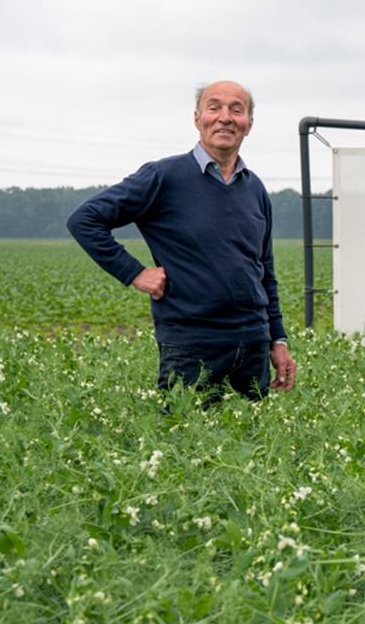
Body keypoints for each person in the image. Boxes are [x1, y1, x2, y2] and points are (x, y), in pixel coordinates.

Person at [67, 80, 296, 404]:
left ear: (249, 124)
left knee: (251, 435)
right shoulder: (163, 177)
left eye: (236, 110)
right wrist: (135, 272)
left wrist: (278, 340)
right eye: (214, 108)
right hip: (191, 347)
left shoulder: (254, 188)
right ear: (197, 119)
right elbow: (85, 219)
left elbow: (265, 272)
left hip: (252, 348)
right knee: (185, 434)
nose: (225, 117)